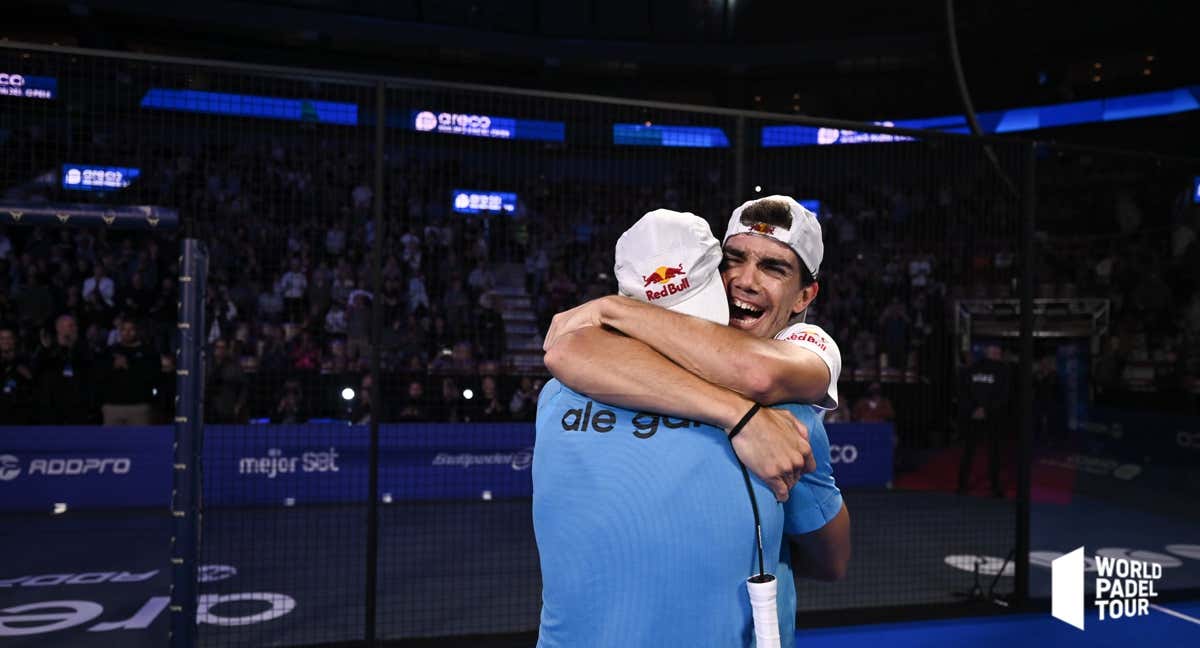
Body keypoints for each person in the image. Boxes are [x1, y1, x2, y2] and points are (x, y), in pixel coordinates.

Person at [535, 209, 847, 648]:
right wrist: (741, 417)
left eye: (773, 267)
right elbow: (830, 560)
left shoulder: (557, 395)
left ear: (805, 296)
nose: (744, 280)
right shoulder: (786, 420)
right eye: (732, 260)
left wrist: (612, 308)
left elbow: (564, 352)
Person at [956, 342, 1011, 497]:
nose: (998, 354)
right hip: (984, 414)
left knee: (984, 451)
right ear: (989, 351)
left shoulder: (1001, 370)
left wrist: (978, 409)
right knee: (980, 451)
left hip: (985, 415)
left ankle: (969, 486)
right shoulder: (976, 368)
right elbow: (963, 391)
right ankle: (968, 485)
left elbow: (1003, 395)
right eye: (996, 351)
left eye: (998, 351)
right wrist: (979, 409)